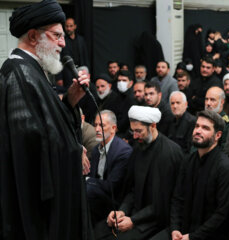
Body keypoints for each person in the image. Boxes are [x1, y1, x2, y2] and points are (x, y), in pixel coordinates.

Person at [0, 0, 93, 238]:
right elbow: (28, 147)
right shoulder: (18, 74)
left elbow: (47, 125)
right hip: (39, 209)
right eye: (56, 36)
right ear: (33, 36)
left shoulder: (34, 70)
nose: (63, 43)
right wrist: (74, 151)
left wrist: (70, 101)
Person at [94, 106, 183, 240]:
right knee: (98, 231)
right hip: (136, 213)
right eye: (132, 131)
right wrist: (122, 211)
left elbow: (161, 203)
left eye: (139, 131)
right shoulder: (139, 148)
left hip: (156, 220)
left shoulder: (169, 153)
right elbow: (132, 190)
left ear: (153, 126)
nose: (134, 136)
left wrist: (133, 220)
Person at [168, 110, 229, 240]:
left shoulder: (226, 169)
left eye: (205, 128)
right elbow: (177, 198)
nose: (198, 131)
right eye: (197, 126)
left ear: (218, 135)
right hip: (181, 232)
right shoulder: (188, 161)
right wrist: (175, 229)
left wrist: (191, 237)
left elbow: (222, 215)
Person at [87, 110, 132, 224]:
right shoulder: (96, 149)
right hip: (97, 193)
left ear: (113, 128)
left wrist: (88, 180)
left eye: (102, 125)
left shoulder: (123, 151)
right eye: (95, 125)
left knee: (87, 190)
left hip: (114, 201)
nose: (97, 129)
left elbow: (112, 186)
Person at [56, 17, 89, 88]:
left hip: (81, 71)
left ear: (75, 26)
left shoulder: (81, 40)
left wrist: (88, 72)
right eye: (67, 26)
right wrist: (59, 77)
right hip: (67, 74)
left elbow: (85, 57)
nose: (68, 28)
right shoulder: (61, 40)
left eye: (71, 26)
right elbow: (58, 59)